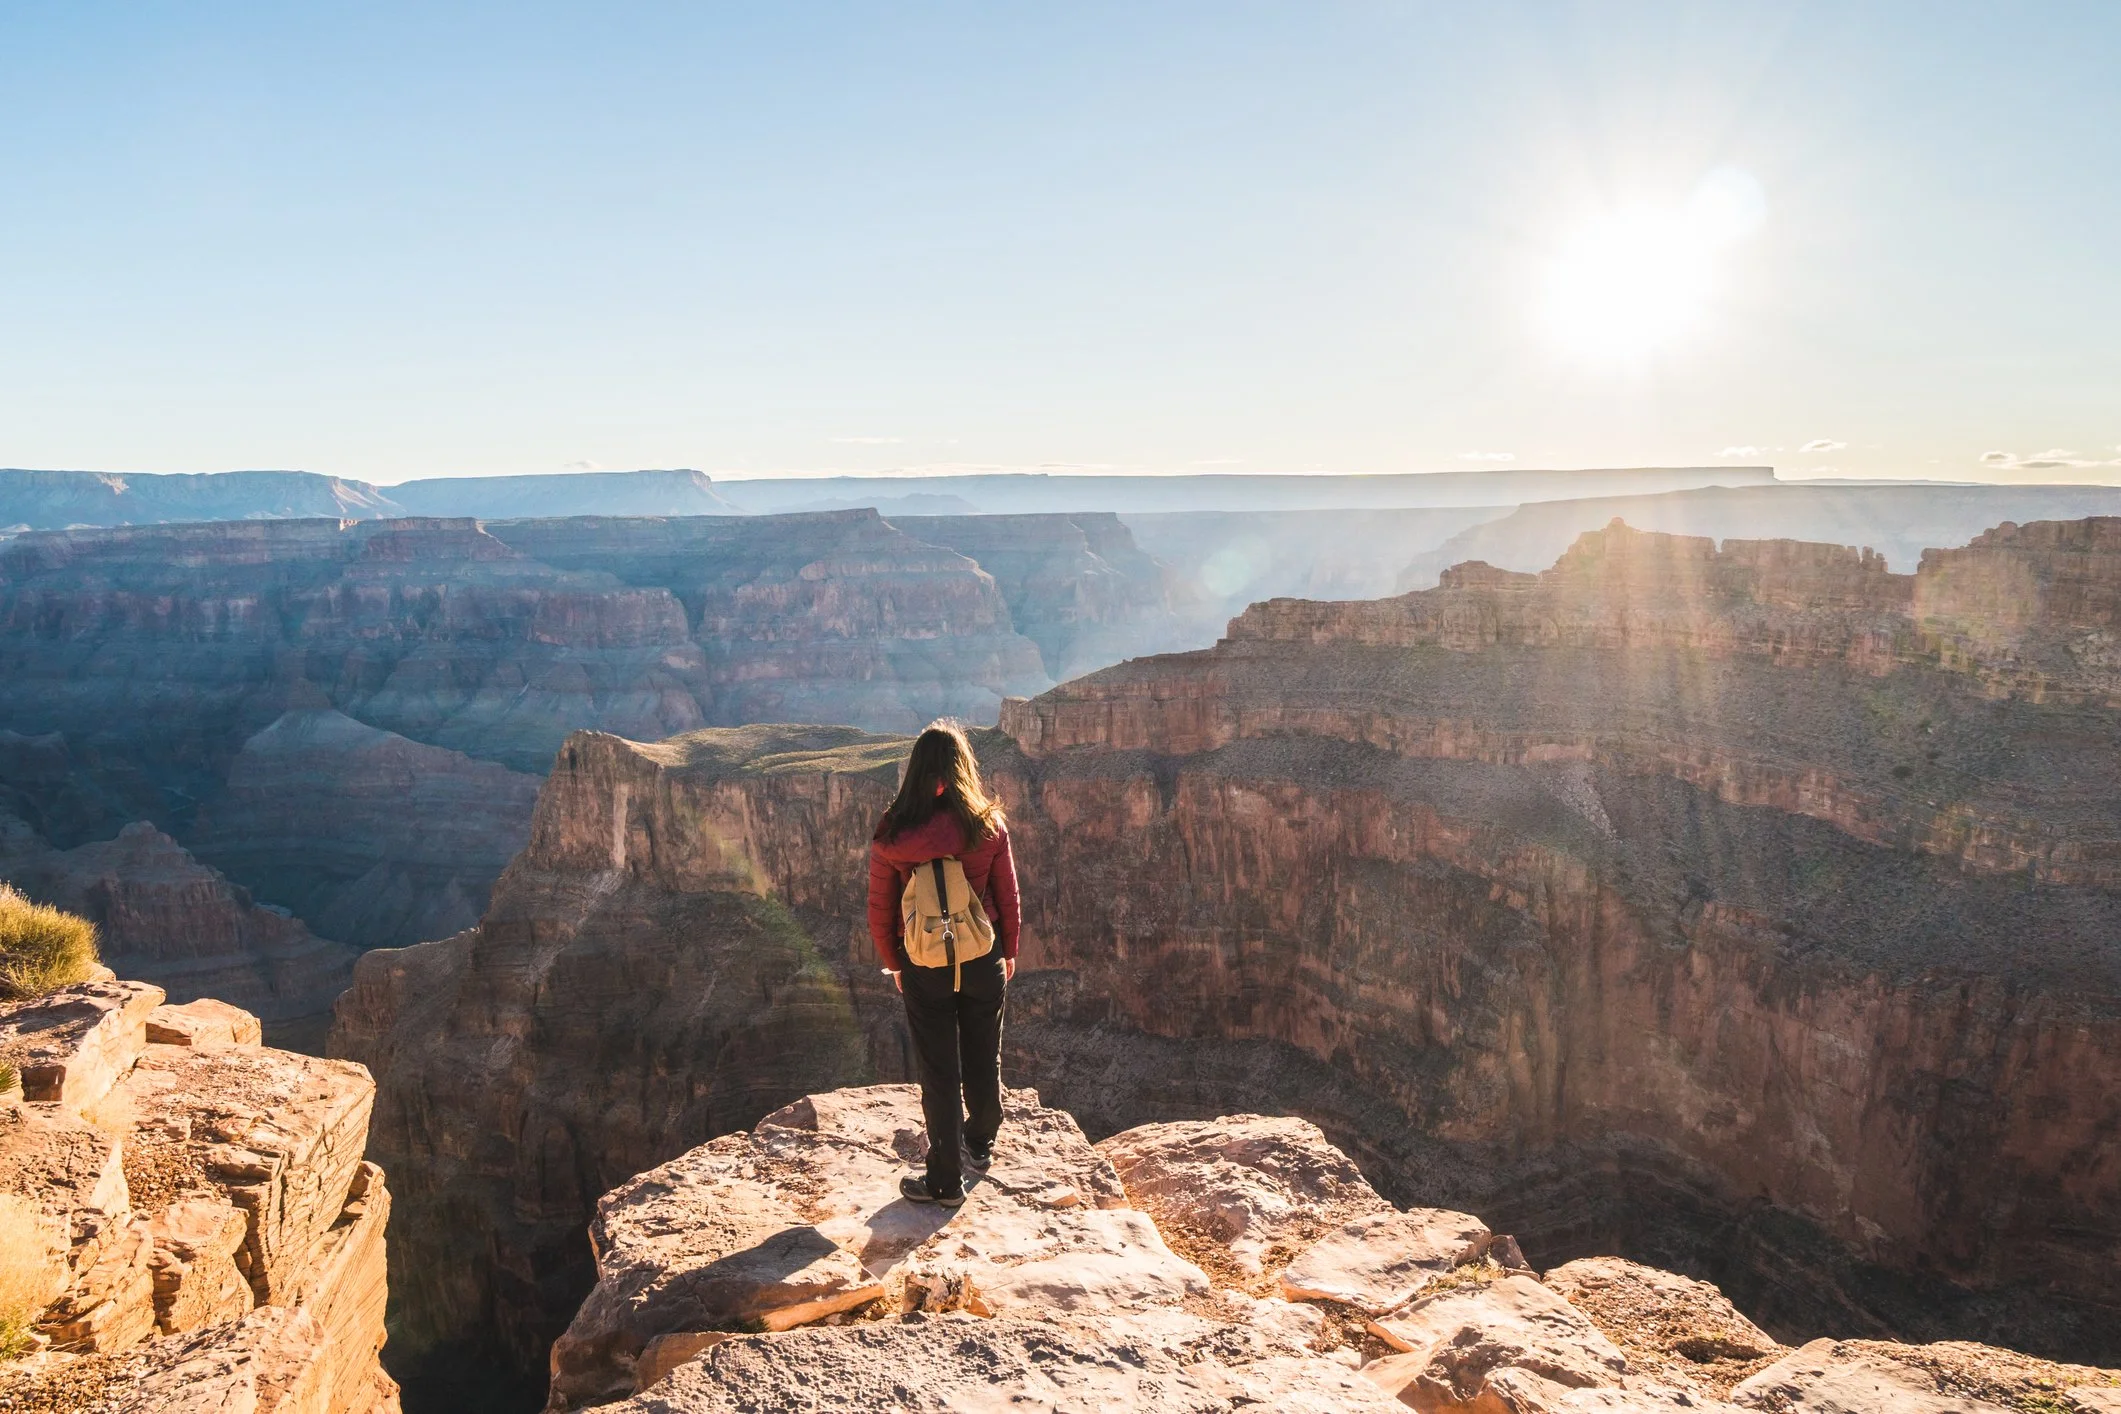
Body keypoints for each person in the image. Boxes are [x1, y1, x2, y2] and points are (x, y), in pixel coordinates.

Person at [868, 720, 1021, 1208]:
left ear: (915, 772)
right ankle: (980, 1143)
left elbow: (881, 910)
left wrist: (895, 964)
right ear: (962, 769)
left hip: (924, 964)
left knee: (939, 1069)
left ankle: (945, 1182)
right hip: (982, 956)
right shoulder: (987, 824)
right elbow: (1007, 896)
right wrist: (1009, 950)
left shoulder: (893, 833)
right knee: (983, 1053)